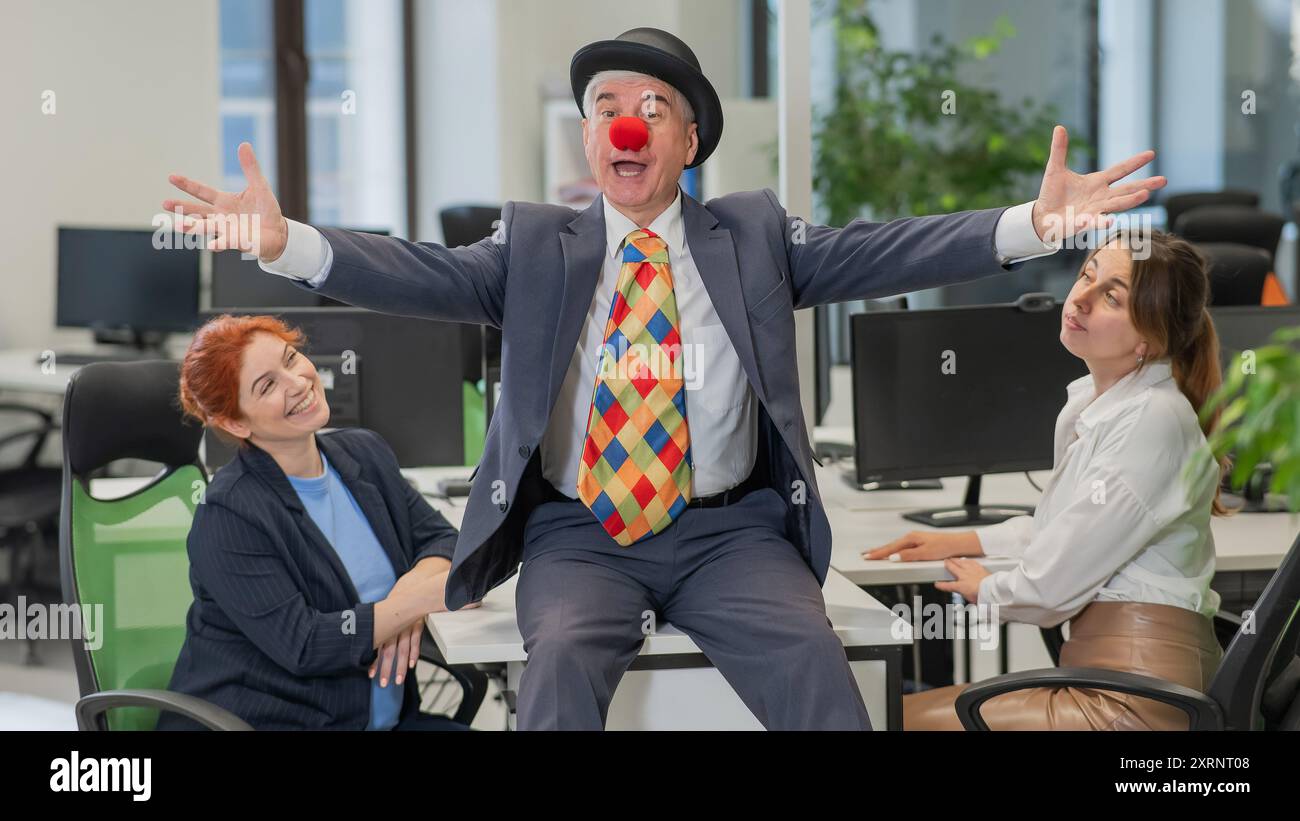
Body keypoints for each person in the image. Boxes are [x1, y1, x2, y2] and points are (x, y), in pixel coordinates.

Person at [163, 28, 1163, 730]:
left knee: (818, 672)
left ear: (688, 144)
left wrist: (1032, 228)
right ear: (589, 138)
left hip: (729, 529)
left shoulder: (753, 235)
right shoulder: (537, 243)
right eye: (606, 108)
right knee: (552, 674)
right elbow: (417, 271)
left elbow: (883, 249)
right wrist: (286, 242)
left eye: (653, 109)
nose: (625, 125)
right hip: (578, 529)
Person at [868, 230, 1230, 730]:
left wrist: (990, 588)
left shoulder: (1151, 420)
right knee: (887, 710)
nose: (1078, 297)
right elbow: (1064, 531)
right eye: (1088, 273)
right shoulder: (1104, 406)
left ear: (1149, 338)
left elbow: (1050, 589)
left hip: (1134, 703)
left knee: (882, 717)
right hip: (1110, 679)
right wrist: (961, 540)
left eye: (1111, 296)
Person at [160, 314, 474, 730]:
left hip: (385, 721)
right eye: (267, 385)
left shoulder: (364, 454)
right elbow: (306, 643)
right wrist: (413, 604)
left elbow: (445, 540)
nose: (297, 382)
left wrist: (401, 605)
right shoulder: (230, 513)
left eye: (291, 359)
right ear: (236, 422)